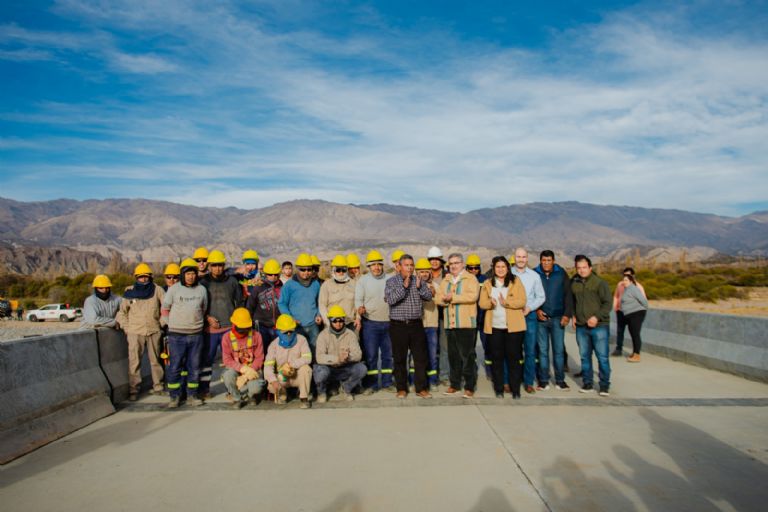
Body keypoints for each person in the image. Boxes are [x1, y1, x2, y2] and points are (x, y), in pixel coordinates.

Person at [384, 254, 434, 399]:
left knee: (420, 358)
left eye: (412, 265)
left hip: (416, 325)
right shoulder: (391, 282)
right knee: (399, 358)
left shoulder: (418, 280)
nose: (410, 268)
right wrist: (404, 287)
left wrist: (419, 287)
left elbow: (428, 296)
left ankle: (421, 388)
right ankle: (401, 388)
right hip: (398, 325)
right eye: (406, 265)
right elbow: (390, 300)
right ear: (399, 266)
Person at [162, 258, 208, 408]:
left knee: (194, 367)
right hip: (176, 335)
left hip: (196, 335)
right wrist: (171, 324)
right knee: (175, 366)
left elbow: (203, 308)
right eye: (188, 274)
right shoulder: (174, 289)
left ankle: (192, 395)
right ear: (182, 274)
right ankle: (174, 396)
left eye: (193, 273)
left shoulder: (201, 290)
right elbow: (165, 309)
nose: (191, 277)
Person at [116, 263, 166, 401]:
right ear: (136, 277)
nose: (143, 279)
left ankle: (158, 386)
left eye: (146, 276)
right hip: (135, 332)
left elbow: (166, 308)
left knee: (155, 361)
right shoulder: (129, 291)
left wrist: (161, 324)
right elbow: (121, 313)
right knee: (134, 362)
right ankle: (134, 389)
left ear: (150, 277)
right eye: (140, 277)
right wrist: (127, 328)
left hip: (153, 330)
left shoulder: (158, 290)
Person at [478, 256, 527, 399]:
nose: (500, 269)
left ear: (508, 268)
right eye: (497, 267)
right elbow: (482, 303)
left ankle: (515, 389)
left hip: (513, 328)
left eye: (503, 267)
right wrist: (490, 303)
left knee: (514, 359)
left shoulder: (516, 281)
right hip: (495, 327)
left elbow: (522, 300)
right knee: (497, 359)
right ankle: (499, 388)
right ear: (493, 268)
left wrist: (507, 303)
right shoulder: (487, 283)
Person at [199, 250, 244, 398]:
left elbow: (240, 303)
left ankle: (232, 390)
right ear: (209, 266)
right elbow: (198, 305)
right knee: (207, 360)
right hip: (210, 330)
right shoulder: (203, 283)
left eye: (220, 265)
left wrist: (236, 322)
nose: (217, 268)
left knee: (232, 360)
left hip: (229, 328)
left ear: (224, 266)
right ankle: (204, 390)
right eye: (214, 265)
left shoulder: (232, 282)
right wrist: (207, 318)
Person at [435, 253, 480, 398]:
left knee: (467, 356)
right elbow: (438, 298)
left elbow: (472, 296)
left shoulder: (470, 278)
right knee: (453, 356)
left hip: (465, 323)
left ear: (462, 264)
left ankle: (469, 386)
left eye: (456, 263)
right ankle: (454, 384)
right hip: (450, 323)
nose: (453, 266)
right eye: (451, 264)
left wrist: (452, 297)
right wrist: (444, 299)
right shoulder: (446, 280)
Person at [571, 255, 612, 396]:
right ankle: (587, 383)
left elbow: (608, 304)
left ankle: (604, 385)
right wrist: (573, 316)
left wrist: (596, 317)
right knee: (584, 357)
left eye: (584, 267)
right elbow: (573, 302)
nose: (581, 270)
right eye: (579, 268)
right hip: (581, 327)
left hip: (599, 326)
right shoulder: (574, 283)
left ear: (590, 267)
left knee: (602, 357)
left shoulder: (600, 283)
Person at [354, 250, 394, 394]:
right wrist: (359, 308)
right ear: (369, 266)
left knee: (388, 356)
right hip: (370, 324)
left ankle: (387, 383)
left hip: (389, 323)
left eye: (379, 264)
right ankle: (371, 385)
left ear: (382, 265)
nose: (376, 267)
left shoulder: (390, 279)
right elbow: (358, 300)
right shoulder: (363, 281)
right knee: (371, 356)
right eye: (373, 265)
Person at [534, 250, 574, 391]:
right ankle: (543, 381)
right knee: (543, 351)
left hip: (558, 319)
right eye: (544, 260)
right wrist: (537, 310)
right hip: (541, 320)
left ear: (553, 261)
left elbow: (568, 295)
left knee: (558, 351)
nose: (546, 263)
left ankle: (560, 381)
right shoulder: (535, 274)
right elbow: (531, 295)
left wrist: (567, 315)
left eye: (549, 260)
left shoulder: (561, 274)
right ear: (540, 261)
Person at [510, 247, 546, 394]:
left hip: (529, 316)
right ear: (514, 258)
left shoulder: (534, 276)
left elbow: (541, 297)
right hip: (512, 315)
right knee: (512, 351)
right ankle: (512, 380)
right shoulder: (508, 274)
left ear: (527, 258)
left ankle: (528, 382)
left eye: (523, 257)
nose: (521, 259)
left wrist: (530, 308)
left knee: (530, 351)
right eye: (518, 257)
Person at [313, 305, 367, 403]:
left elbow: (358, 354)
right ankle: (322, 392)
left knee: (362, 368)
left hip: (345, 367)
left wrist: (348, 357)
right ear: (330, 321)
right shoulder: (323, 335)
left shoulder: (350, 334)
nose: (338, 323)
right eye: (335, 321)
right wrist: (337, 359)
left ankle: (346, 388)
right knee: (320, 371)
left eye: (341, 320)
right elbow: (319, 357)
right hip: (329, 368)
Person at [264, 314, 313, 409]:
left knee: (306, 369)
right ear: (278, 331)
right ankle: (283, 394)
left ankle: (304, 398)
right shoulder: (273, 345)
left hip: (296, 375)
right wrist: (273, 381)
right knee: (271, 385)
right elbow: (268, 366)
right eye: (285, 332)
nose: (289, 334)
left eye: (291, 331)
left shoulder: (301, 339)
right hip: (282, 377)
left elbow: (308, 358)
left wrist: (292, 365)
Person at [221, 308, 265, 409]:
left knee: (255, 388)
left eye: (246, 328)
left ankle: (251, 396)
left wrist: (247, 374)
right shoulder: (226, 338)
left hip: (252, 368)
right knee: (228, 376)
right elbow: (227, 360)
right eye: (241, 328)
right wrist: (242, 368)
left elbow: (259, 358)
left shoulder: (256, 336)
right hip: (236, 368)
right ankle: (237, 398)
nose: (243, 331)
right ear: (234, 325)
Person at [278, 253, 322, 351]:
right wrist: (290, 318)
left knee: (315, 350)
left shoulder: (315, 284)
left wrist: (318, 314)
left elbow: (319, 301)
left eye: (309, 269)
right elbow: (282, 303)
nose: (306, 272)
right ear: (297, 269)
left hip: (313, 325)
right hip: (296, 326)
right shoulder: (289, 285)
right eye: (303, 269)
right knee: (298, 351)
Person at [246, 258, 283, 355]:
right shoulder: (258, 287)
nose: (273, 277)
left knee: (277, 351)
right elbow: (250, 306)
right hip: (262, 325)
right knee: (262, 350)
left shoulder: (282, 287)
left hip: (278, 326)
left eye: (276, 274)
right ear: (266, 274)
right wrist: (250, 323)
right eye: (270, 274)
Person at [415, 258, 440, 389]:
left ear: (430, 272)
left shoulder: (436, 286)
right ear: (416, 272)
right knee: (416, 356)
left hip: (431, 325)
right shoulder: (412, 286)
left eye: (426, 271)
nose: (424, 274)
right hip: (416, 325)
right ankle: (414, 381)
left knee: (432, 354)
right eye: (421, 271)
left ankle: (432, 381)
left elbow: (442, 301)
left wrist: (435, 295)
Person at [426, 246, 449, 385]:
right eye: (431, 259)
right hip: (429, 316)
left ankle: (444, 375)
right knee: (431, 347)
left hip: (444, 315)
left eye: (436, 259)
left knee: (444, 347)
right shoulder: (423, 275)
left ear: (441, 261)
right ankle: (431, 374)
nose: (434, 262)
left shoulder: (447, 276)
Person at [465, 254, 490, 380]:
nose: (474, 270)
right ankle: (472, 370)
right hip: (470, 319)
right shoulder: (464, 280)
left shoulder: (485, 279)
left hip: (484, 318)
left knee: (488, 346)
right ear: (467, 268)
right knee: (470, 347)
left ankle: (490, 370)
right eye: (471, 268)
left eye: (476, 268)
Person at [612, 267, 647, 356]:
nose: (626, 277)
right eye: (624, 275)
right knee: (620, 330)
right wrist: (615, 307)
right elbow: (616, 295)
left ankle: (635, 352)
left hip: (632, 313)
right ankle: (618, 349)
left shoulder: (638, 287)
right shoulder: (620, 284)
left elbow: (643, 300)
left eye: (628, 275)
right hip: (620, 311)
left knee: (634, 332)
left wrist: (640, 312)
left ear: (633, 276)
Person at [318, 255, 356, 329]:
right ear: (334, 270)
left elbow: (357, 303)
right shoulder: (326, 285)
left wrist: (357, 318)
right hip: (332, 324)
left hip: (350, 323)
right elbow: (322, 305)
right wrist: (328, 323)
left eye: (343, 270)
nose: (341, 272)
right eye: (338, 270)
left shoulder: (354, 284)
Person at [620, 274, 649, 363]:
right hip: (630, 315)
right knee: (633, 333)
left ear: (631, 281)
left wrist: (642, 310)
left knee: (635, 334)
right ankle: (634, 352)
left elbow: (643, 300)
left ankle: (637, 355)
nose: (624, 282)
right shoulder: (627, 289)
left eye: (626, 280)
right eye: (623, 280)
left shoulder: (633, 289)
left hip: (636, 314)